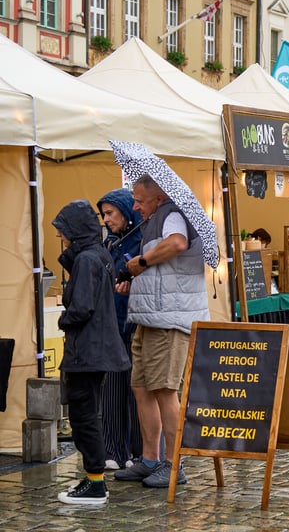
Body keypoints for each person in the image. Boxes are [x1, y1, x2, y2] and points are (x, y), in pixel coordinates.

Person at [114, 174, 209, 488]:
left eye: (140, 200)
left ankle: (173, 465)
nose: (136, 206)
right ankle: (150, 460)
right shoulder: (156, 219)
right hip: (150, 319)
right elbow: (163, 273)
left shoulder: (172, 215)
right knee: (142, 389)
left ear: (158, 197)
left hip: (170, 322)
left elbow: (177, 244)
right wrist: (135, 284)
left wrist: (141, 261)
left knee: (165, 391)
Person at [52, 200, 131, 505]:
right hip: (93, 350)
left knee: (84, 415)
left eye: (63, 230)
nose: (61, 236)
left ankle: (95, 482)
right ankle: (93, 479)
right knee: (87, 414)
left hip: (87, 351)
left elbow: (82, 308)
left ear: (76, 229)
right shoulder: (95, 255)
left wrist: (64, 318)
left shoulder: (87, 259)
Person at [97, 189, 144, 470]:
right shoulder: (111, 243)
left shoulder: (142, 241)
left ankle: (140, 451)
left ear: (126, 212)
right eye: (103, 214)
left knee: (138, 391)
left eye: (110, 213)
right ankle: (114, 449)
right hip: (113, 324)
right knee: (113, 389)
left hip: (136, 323)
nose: (106, 219)